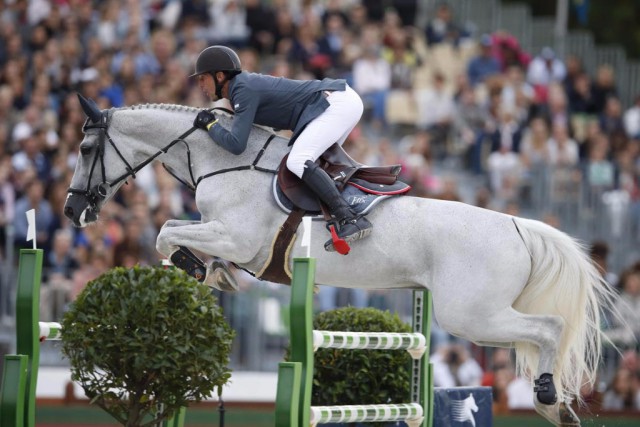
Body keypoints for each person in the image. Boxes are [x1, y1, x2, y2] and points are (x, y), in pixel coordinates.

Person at [189, 45, 372, 251]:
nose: (200, 85)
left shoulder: (242, 89)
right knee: (317, 166)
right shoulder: (241, 89)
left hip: (336, 102)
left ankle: (350, 218)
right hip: (339, 101)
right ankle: (350, 210)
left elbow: (236, 144)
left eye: (202, 78)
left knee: (298, 161)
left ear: (220, 76)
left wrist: (210, 126)